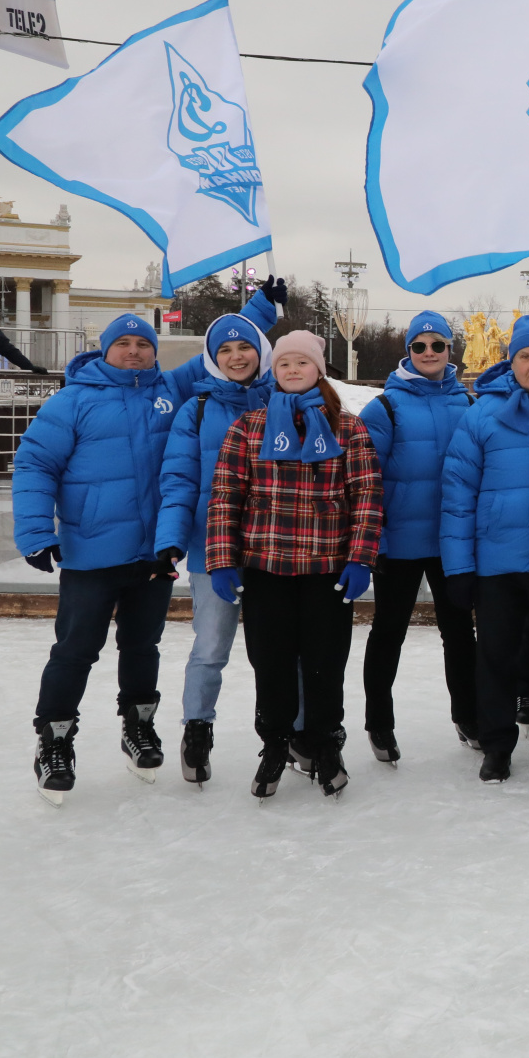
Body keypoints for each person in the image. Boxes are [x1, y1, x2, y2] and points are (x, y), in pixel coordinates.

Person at [19, 287, 283, 805]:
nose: (135, 351)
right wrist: (35, 532)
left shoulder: (169, 388)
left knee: (142, 646)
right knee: (76, 649)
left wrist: (260, 311)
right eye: (125, 344)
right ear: (105, 349)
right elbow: (34, 463)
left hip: (153, 554)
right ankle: (54, 740)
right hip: (93, 550)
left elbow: (227, 351)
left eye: (143, 343)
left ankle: (138, 724)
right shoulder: (73, 400)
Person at [205, 331, 382, 799]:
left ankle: (324, 743)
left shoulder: (347, 427)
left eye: (301, 363)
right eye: (284, 365)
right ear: (274, 371)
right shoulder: (249, 428)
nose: (292, 371)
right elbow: (226, 497)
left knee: (326, 662)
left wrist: (360, 557)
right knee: (271, 661)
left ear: (318, 370)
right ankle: (276, 743)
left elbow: (365, 496)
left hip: (327, 568)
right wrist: (222, 561)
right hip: (267, 567)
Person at [441, 316, 529, 784]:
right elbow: (458, 495)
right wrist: (459, 567)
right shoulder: (482, 414)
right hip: (497, 561)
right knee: (496, 655)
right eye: (526, 356)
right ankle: (497, 743)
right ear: (512, 362)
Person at [153, 304, 276, 786]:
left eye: (245, 345)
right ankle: (197, 728)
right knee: (210, 648)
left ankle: (295, 731)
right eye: (224, 349)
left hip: (274, 547)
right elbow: (179, 479)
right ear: (211, 358)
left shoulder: (282, 400)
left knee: (282, 650)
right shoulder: (196, 408)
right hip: (214, 549)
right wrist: (171, 542)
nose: (236, 356)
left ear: (261, 352)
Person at [357, 311, 477, 764]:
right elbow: (366, 480)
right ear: (407, 352)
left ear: (451, 350)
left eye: (438, 345)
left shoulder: (467, 403)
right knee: (389, 633)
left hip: (451, 543)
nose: (429, 353)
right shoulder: (384, 407)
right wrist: (376, 543)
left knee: (460, 634)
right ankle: (379, 724)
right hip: (400, 544)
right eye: (419, 346)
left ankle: (469, 715)